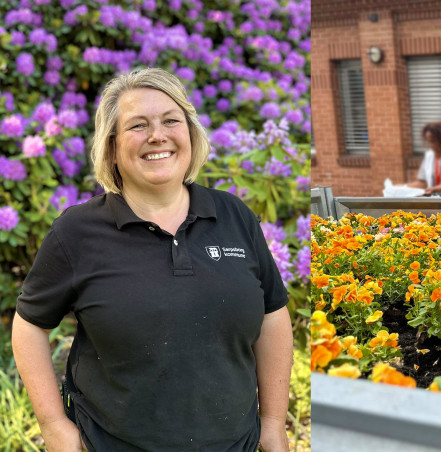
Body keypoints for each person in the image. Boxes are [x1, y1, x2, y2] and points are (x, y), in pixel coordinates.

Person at [11, 67, 293, 451]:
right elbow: (28, 325)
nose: (157, 135)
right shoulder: (76, 232)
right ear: (111, 147)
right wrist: (53, 425)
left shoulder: (234, 216)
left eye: (171, 120)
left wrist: (274, 422)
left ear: (190, 133)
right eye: (137, 126)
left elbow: (272, 315)